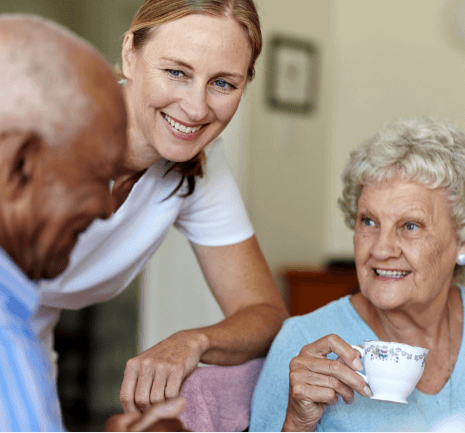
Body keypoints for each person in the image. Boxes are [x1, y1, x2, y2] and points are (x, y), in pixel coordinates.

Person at [34, 0, 289, 415]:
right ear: (130, 54)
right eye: (176, 72)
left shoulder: (201, 169)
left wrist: (195, 341)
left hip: (27, 354)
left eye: (223, 83)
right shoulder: (44, 126)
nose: (196, 108)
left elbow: (264, 313)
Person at [0, 14, 188, 432]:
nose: (107, 210)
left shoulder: (18, 317)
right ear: (20, 166)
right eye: (92, 175)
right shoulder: (7, 340)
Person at [249, 117, 465, 432]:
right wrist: (297, 422)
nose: (381, 249)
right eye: (369, 222)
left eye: (410, 226)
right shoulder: (304, 343)